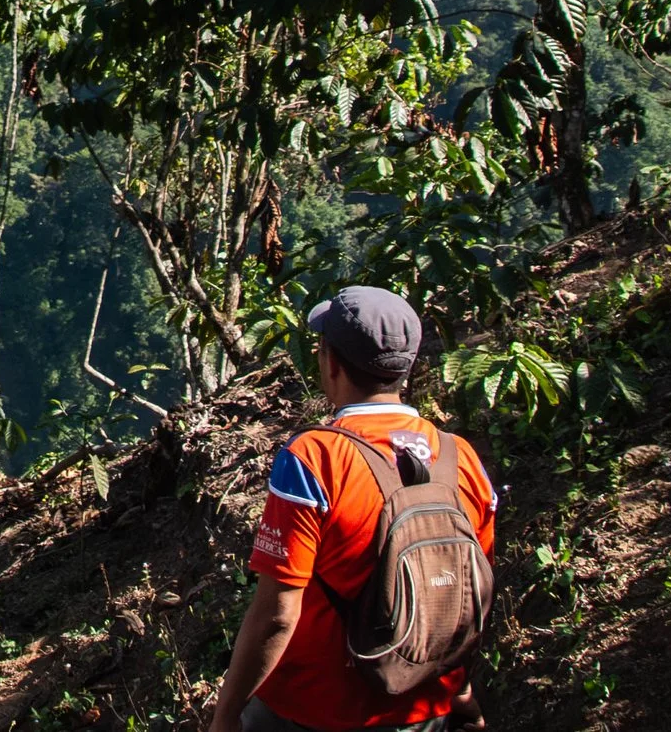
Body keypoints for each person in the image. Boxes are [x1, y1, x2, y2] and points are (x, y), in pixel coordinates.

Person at [207, 287, 495, 732]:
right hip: (424, 708)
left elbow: (278, 615)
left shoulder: (314, 458)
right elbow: (465, 595)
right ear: (407, 366)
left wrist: (224, 718)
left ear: (331, 362)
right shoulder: (461, 458)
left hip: (316, 710)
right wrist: (458, 691)